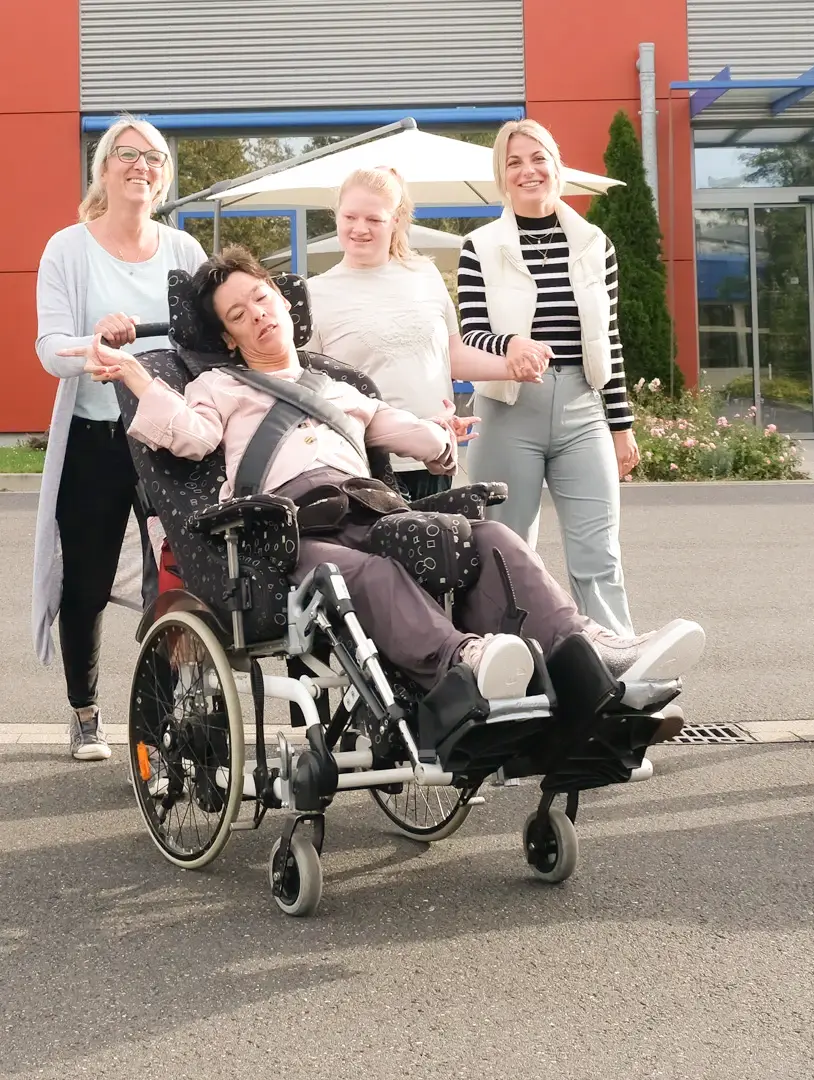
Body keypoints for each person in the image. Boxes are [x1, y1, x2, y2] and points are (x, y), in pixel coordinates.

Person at [60, 248, 705, 710]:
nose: (256, 314)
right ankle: (467, 660)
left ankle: (590, 651)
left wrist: (441, 439)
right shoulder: (217, 385)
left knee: (488, 539)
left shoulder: (340, 388)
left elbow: (410, 433)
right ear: (228, 338)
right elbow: (189, 437)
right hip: (283, 530)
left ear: (282, 301)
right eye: (237, 314)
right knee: (363, 574)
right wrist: (136, 375)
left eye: (260, 298)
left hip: (369, 510)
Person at [33, 113, 208, 762]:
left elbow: (205, 343)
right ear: (103, 170)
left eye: (154, 158)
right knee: (86, 582)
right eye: (127, 154)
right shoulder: (67, 249)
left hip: (167, 438)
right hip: (95, 439)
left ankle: (168, 716)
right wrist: (94, 343)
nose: (141, 165)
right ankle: (84, 710)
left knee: (183, 578)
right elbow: (50, 349)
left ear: (164, 179)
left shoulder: (184, 253)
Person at [457, 118, 639, 638]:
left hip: (584, 407)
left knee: (599, 553)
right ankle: (509, 669)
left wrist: (621, 426)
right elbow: (470, 335)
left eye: (538, 158)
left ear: (556, 167)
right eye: (514, 162)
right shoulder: (481, 247)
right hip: (510, 409)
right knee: (507, 555)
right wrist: (509, 346)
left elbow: (610, 338)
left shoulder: (594, 243)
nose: (528, 170)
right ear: (502, 175)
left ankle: (620, 672)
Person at [307, 167, 545, 502]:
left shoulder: (424, 273)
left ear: (397, 221)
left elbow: (452, 356)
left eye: (374, 219)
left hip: (435, 456)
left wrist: (511, 367)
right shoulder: (314, 294)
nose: (359, 228)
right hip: (361, 468)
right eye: (350, 216)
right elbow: (310, 389)